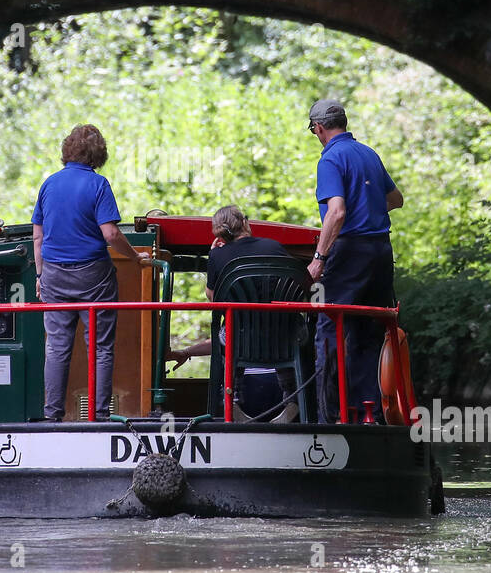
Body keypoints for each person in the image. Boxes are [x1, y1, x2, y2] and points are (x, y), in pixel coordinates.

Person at [32, 124, 149, 421]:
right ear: (99, 154)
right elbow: (110, 234)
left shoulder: (49, 184)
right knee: (100, 347)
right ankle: (98, 415)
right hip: (93, 277)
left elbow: (38, 236)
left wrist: (40, 276)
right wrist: (135, 257)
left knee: (57, 347)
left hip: (54, 275)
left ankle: (52, 416)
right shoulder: (98, 185)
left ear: (67, 149)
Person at [305, 99, 403, 423]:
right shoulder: (368, 154)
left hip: (349, 252)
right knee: (369, 331)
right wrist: (369, 211)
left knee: (328, 326)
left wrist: (319, 258)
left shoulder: (331, 158)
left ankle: (328, 415)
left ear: (318, 128)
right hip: (381, 251)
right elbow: (395, 199)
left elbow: (337, 212)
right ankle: (368, 414)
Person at [167, 205, 304, 422]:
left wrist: (214, 254)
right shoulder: (275, 247)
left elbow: (213, 298)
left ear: (220, 234)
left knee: (230, 328)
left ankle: (232, 399)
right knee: (285, 327)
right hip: (283, 338)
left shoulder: (218, 256)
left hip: (240, 339)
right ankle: (294, 400)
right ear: (245, 223)